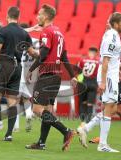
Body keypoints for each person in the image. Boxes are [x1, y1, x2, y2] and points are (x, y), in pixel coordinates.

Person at [25, 4, 78, 151]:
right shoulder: (59, 32)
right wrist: (72, 76)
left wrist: (31, 69)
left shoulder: (47, 32)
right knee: (47, 110)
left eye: (40, 14)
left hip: (46, 75)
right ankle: (41, 143)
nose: (37, 16)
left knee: (36, 109)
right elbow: (65, 57)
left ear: (46, 16)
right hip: (56, 76)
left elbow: (43, 53)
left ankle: (66, 131)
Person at [0, 6, 38, 141]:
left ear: (7, 16)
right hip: (17, 67)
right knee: (12, 102)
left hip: (4, 65)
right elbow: (32, 52)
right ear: (18, 17)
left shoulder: (3, 31)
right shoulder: (24, 33)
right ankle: (8, 135)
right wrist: (42, 56)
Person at [77, 12, 121, 152]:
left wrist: (116, 68)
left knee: (110, 108)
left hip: (111, 75)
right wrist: (104, 81)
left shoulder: (113, 35)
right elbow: (105, 60)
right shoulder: (112, 36)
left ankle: (86, 128)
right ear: (116, 24)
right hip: (109, 78)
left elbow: (110, 59)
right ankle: (102, 145)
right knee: (110, 108)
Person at [89, 32, 121, 145]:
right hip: (110, 77)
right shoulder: (107, 37)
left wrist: (119, 65)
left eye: (109, 23)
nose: (107, 26)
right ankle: (103, 137)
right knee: (107, 106)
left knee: (116, 108)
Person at [78, 47, 99, 123]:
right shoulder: (98, 61)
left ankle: (82, 120)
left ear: (89, 52)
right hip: (93, 83)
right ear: (96, 53)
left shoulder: (82, 60)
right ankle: (88, 122)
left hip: (83, 82)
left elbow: (78, 71)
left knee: (83, 102)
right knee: (90, 103)